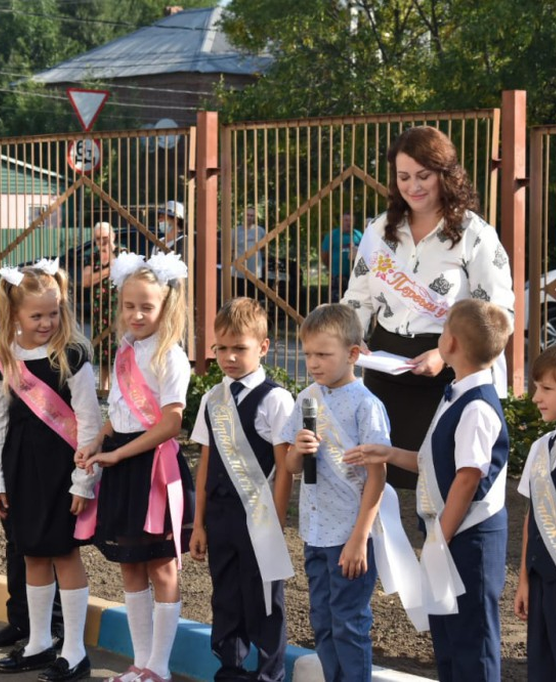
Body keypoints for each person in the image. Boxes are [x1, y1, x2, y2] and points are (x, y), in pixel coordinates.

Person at [344, 299, 511, 682]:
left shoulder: (477, 407)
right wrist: (389, 453)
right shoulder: (457, 393)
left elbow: (467, 478)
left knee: (472, 641)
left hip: (469, 539)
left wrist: (440, 539)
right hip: (449, 534)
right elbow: (437, 460)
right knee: (448, 638)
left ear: (450, 343)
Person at [341, 125, 514, 489]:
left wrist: (444, 355)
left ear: (445, 175)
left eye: (423, 176)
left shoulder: (475, 235)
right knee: (377, 483)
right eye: (404, 177)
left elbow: (499, 314)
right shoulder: (378, 231)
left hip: (451, 373)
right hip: (384, 371)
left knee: (442, 482)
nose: (413, 186)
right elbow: (357, 298)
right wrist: (351, 340)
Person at [76, 251, 194, 682]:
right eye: (129, 306)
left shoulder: (169, 356)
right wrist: (98, 440)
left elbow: (171, 423)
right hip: (121, 460)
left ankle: (159, 667)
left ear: (166, 306)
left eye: (147, 306)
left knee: (161, 566)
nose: (136, 314)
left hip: (153, 468)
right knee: (130, 563)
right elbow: (121, 410)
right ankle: (140, 663)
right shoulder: (126, 350)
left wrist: (119, 453)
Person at [0, 260, 101, 681]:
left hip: (62, 468)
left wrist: (83, 482)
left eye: (53, 313)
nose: (47, 322)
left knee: (64, 553)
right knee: (32, 552)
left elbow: (89, 422)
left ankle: (74, 652)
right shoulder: (4, 355)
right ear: (15, 313)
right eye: (36, 315)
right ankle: (38, 643)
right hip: (20, 466)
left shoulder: (72, 354)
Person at [278, 304, 389, 682]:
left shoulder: (367, 405)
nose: (313, 363)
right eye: (308, 354)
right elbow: (291, 466)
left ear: (352, 353)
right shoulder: (307, 397)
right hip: (315, 531)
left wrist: (359, 538)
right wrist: (298, 451)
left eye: (323, 354)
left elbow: (377, 475)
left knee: (349, 623)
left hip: (350, 534)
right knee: (322, 620)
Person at [189, 298, 294, 682]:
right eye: (222, 348)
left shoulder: (276, 399)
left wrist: (276, 524)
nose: (229, 357)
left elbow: (285, 468)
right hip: (220, 517)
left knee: (264, 600)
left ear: (263, 347)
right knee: (226, 598)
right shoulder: (212, 399)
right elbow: (206, 462)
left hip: (259, 517)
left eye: (239, 348)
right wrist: (198, 524)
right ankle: (230, 670)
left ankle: (269, 675)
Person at [0, 352, 66, 650]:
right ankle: (21, 620)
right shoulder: (2, 351)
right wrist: (4, 451)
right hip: (16, 460)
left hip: (54, 462)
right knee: (17, 543)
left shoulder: (65, 351)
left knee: (53, 546)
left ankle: (55, 626)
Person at [514, 342, 556, 681]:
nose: (536, 397)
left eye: (546, 388)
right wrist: (523, 578)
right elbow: (531, 516)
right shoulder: (540, 447)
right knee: (543, 670)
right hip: (541, 581)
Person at [79, 222, 120, 386]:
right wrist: (109, 270)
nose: (101, 242)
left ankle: (121, 389)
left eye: (105, 238)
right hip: (99, 310)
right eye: (98, 238)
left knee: (120, 349)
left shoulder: (122, 253)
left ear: (113, 236)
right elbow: (85, 281)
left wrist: (98, 274)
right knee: (103, 353)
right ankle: (104, 388)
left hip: (118, 309)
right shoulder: (93, 257)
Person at [320, 212, 362, 303]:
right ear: (341, 221)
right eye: (346, 220)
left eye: (351, 220)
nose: (348, 223)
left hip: (354, 277)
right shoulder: (332, 235)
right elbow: (324, 255)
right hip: (337, 276)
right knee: (336, 304)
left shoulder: (358, 235)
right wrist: (331, 268)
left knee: (354, 303)